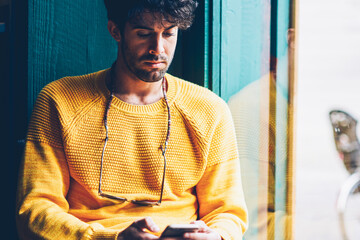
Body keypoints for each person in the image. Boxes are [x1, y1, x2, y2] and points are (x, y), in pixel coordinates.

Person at [16, 0, 248, 239]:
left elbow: (228, 212)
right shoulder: (59, 100)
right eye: (143, 34)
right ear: (115, 30)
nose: (158, 49)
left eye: (169, 33)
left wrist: (216, 236)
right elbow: (35, 209)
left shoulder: (209, 109)